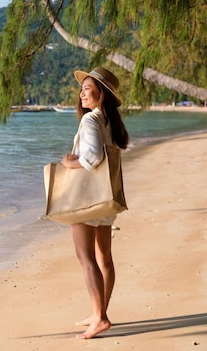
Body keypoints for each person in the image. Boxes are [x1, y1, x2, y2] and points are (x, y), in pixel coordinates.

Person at [61, 66, 129, 339]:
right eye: (82, 89)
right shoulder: (111, 122)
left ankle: (99, 317)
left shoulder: (90, 121)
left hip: (87, 199)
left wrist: (70, 162)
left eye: (88, 89)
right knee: (104, 259)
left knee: (85, 257)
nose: (82, 95)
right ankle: (100, 311)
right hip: (106, 198)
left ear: (102, 95)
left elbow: (92, 158)